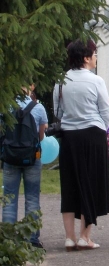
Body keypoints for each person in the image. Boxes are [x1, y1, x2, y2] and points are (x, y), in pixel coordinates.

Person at [53, 39, 109, 251]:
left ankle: (69, 237)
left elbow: (58, 112)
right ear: (86, 58)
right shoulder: (96, 81)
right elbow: (105, 111)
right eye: (94, 54)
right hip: (92, 135)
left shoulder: (60, 81)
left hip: (69, 136)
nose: (96, 58)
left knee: (69, 185)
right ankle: (84, 237)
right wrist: (101, 127)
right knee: (91, 183)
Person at [2, 86, 48, 249]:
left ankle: (7, 239)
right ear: (32, 86)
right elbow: (41, 135)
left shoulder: (6, 105)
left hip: (10, 157)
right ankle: (32, 239)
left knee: (9, 197)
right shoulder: (39, 108)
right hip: (32, 158)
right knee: (32, 197)